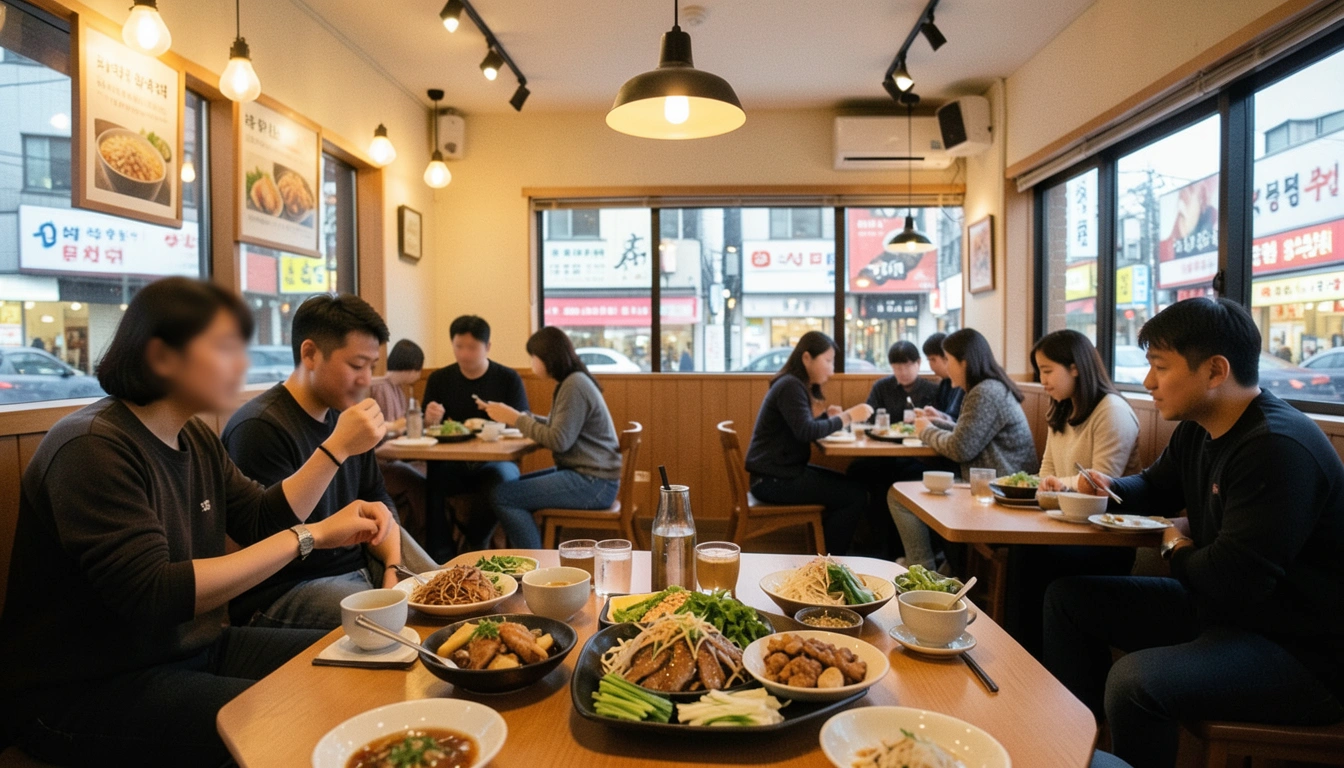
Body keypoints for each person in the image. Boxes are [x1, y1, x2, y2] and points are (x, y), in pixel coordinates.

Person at [0, 278, 394, 765]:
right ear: (164, 356)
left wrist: (331, 465)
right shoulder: (91, 446)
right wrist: (310, 535)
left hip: (197, 648)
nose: (242, 364)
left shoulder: (196, 438)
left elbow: (259, 519)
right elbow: (155, 593)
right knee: (289, 722)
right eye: (225, 349)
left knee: (359, 657)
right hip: (85, 688)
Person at [1045, 298, 1343, 768]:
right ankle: (1077, 748)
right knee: (1068, 600)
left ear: (1215, 370)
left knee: (1134, 680)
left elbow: (1231, 581)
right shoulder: (1199, 427)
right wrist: (1107, 485)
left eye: (1160, 367)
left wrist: (1175, 544)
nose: (1148, 383)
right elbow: (1154, 489)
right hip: (1222, 613)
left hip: (1299, 652)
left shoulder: (1275, 447)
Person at [221, 294, 433, 630]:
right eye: (356, 365)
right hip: (285, 590)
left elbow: (378, 497)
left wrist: (393, 566)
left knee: (452, 596)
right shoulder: (259, 427)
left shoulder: (347, 417)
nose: (366, 380)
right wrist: (338, 446)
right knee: (396, 624)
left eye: (371, 366)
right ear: (310, 354)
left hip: (364, 564)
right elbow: (265, 536)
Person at [1010, 329, 1141, 655]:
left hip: (1107, 536)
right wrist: (1053, 486)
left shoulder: (1112, 411)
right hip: (1066, 525)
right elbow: (1045, 477)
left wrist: (1059, 486)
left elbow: (1102, 486)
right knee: (1023, 550)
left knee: (1031, 557)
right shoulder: (1061, 410)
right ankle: (1024, 658)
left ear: (1076, 368)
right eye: (1039, 371)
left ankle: (1035, 661)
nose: (1042, 379)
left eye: (1047, 370)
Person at [889, 328, 1038, 570]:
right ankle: (937, 568)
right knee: (904, 490)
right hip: (990, 484)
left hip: (999, 490)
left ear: (964, 362)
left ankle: (923, 570)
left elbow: (961, 448)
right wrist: (937, 422)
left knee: (898, 496)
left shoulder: (985, 392)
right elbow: (967, 433)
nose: (946, 367)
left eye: (948, 360)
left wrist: (925, 429)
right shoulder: (985, 388)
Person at [478, 327, 621, 549]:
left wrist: (516, 419)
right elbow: (560, 428)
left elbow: (559, 439)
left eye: (534, 358)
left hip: (594, 483)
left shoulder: (574, 385)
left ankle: (536, 563)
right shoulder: (574, 381)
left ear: (548, 358)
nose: (533, 364)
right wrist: (520, 417)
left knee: (503, 495)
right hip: (594, 478)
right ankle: (532, 557)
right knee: (508, 488)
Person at [745, 331, 873, 555]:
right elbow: (805, 431)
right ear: (806, 358)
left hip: (776, 474)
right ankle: (831, 564)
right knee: (855, 495)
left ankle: (828, 556)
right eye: (828, 361)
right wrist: (848, 416)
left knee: (853, 484)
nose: (831, 370)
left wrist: (827, 419)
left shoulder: (791, 384)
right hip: (772, 480)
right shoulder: (790, 386)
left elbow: (801, 427)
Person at [421, 315, 530, 557]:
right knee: (434, 477)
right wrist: (429, 418)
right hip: (453, 464)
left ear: (487, 347)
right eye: (459, 346)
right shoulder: (440, 379)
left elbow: (523, 424)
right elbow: (424, 425)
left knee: (501, 479)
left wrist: (505, 417)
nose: (464, 354)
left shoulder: (507, 378)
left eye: (471, 347)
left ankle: (475, 541)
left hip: (497, 461)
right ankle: (439, 557)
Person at [849, 340, 944, 558]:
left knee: (901, 478)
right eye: (896, 368)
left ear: (918, 364)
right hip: (883, 454)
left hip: (919, 457)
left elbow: (940, 426)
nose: (901, 372)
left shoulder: (932, 390)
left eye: (906, 366)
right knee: (858, 471)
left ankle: (898, 551)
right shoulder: (882, 387)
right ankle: (876, 548)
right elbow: (869, 419)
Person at [371, 339, 430, 544]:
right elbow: (381, 432)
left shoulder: (396, 388)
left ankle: (422, 538)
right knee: (420, 482)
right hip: (378, 466)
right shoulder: (378, 387)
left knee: (428, 473)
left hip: (394, 459)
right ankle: (420, 541)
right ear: (413, 367)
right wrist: (396, 426)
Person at [921, 332, 964, 421]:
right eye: (928, 360)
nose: (930, 365)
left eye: (933, 359)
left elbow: (957, 421)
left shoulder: (963, 384)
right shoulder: (944, 383)